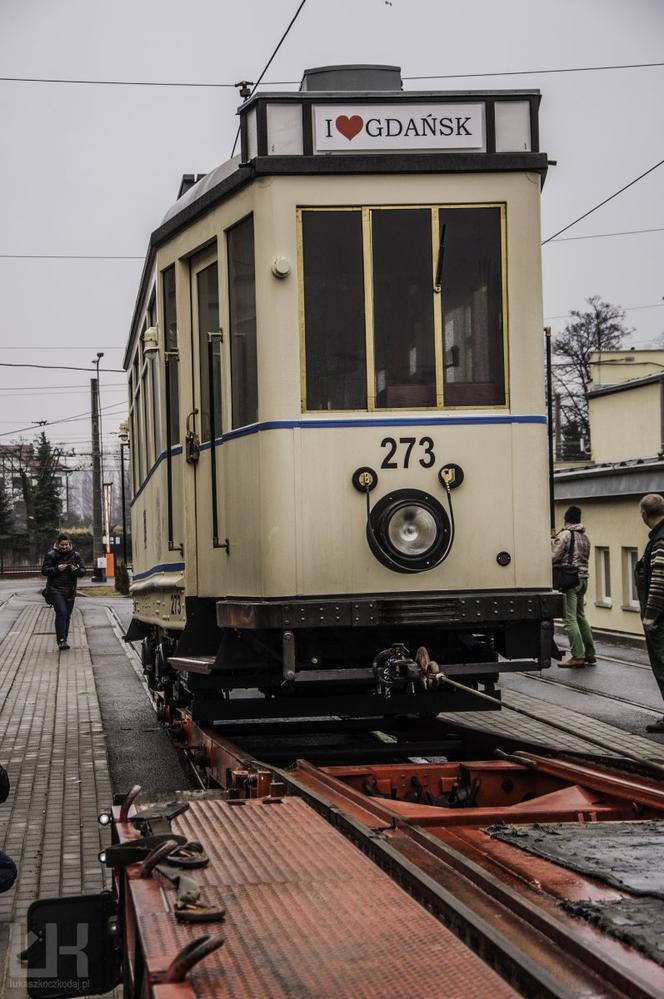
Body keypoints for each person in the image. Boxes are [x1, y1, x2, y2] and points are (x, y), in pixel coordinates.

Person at [551, 505, 596, 668]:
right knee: (580, 616)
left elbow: (553, 557)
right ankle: (590, 653)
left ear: (566, 519)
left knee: (569, 618)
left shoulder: (565, 535)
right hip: (583, 579)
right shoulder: (585, 537)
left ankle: (577, 656)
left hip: (570, 580)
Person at [636, 493, 664, 734]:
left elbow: (659, 581)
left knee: (663, 664)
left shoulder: (660, 541)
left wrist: (651, 615)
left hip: (661, 618)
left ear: (645, 515)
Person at [41, 533, 86, 650]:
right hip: (55, 590)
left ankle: (64, 640)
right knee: (61, 612)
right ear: (57, 544)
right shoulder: (51, 555)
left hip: (70, 591)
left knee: (67, 616)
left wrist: (76, 570)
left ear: (70, 544)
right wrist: (57, 569)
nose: (64, 547)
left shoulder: (76, 555)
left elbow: (82, 572)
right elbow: (44, 570)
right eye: (62, 545)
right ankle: (61, 640)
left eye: (66, 544)